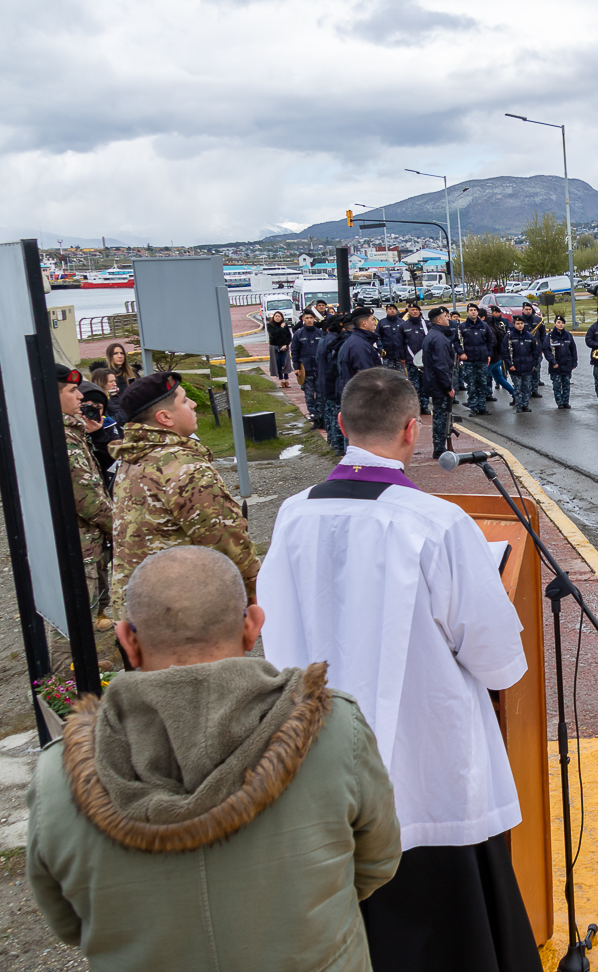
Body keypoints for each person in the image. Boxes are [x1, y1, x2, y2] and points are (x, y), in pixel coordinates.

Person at [258, 369, 543, 972]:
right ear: (412, 430)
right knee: (453, 930)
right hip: (427, 765)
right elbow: (498, 662)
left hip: (316, 758)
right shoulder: (435, 522)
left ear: (340, 425)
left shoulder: (290, 515)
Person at [26, 545, 402, 972]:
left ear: (128, 640)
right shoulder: (333, 732)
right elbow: (378, 860)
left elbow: (68, 921)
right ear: (252, 626)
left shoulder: (61, 776)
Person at [109, 371, 259, 602]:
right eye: (184, 400)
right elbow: (228, 545)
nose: (194, 403)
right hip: (185, 614)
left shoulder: (132, 458)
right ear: (165, 418)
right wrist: (255, 597)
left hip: (141, 608)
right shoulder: (184, 467)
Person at [58, 365, 114, 629]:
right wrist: (119, 526)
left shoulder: (72, 431)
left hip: (88, 540)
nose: (80, 397)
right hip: (78, 542)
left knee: (88, 607)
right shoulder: (62, 438)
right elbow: (88, 499)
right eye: (72, 391)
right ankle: (71, 671)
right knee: (74, 619)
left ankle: (84, 664)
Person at [422, 307, 459, 452]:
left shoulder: (433, 335)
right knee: (441, 417)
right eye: (445, 316)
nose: (447, 319)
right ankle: (439, 448)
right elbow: (441, 365)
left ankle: (439, 446)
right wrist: (447, 387)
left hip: (435, 382)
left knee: (440, 415)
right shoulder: (439, 338)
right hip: (439, 384)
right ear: (438, 320)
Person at [337, 308, 385, 413]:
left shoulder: (360, 341)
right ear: (364, 323)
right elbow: (367, 376)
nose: (374, 323)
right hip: (363, 400)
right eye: (372, 320)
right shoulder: (359, 346)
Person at [317, 313, 351, 456]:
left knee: (330, 413)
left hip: (326, 382)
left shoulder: (324, 340)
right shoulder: (336, 341)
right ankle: (339, 446)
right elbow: (335, 366)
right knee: (337, 414)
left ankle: (333, 442)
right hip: (333, 383)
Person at [458, 304, 495, 416]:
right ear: (467, 312)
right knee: (472, 385)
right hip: (469, 361)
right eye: (471, 310)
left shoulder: (484, 326)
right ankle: (473, 408)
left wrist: (489, 354)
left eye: (475, 310)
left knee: (482, 384)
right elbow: (456, 342)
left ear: (477, 312)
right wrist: (461, 353)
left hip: (482, 360)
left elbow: (490, 340)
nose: (473, 312)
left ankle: (482, 407)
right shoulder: (463, 326)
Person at [503, 313, 543, 414]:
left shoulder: (529, 336)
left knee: (527, 388)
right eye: (518, 323)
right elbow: (505, 352)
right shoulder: (509, 337)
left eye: (521, 323)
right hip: (515, 367)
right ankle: (519, 406)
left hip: (527, 367)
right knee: (517, 388)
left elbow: (535, 351)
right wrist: (509, 365)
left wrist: (533, 363)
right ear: (514, 324)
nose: (520, 325)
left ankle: (525, 405)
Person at [398, 304, 432, 416]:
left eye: (417, 310)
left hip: (425, 361)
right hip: (411, 360)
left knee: (425, 385)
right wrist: (403, 357)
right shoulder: (403, 326)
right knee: (414, 385)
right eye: (412, 310)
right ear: (408, 311)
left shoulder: (426, 324)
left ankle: (424, 406)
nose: (415, 312)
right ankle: (415, 407)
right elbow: (401, 343)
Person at [546, 315, 578, 409]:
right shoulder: (551, 336)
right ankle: (559, 402)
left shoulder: (568, 335)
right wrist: (552, 361)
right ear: (554, 323)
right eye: (559, 323)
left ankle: (565, 402)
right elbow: (546, 350)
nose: (561, 325)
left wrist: (574, 362)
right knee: (556, 385)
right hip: (555, 366)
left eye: (562, 323)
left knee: (566, 385)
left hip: (567, 364)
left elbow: (573, 349)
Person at [377, 303, 407, 371]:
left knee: (400, 375)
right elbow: (377, 336)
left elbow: (405, 336)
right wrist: (380, 348)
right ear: (386, 311)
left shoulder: (401, 322)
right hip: (387, 354)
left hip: (400, 355)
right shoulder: (382, 322)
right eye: (390, 309)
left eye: (394, 309)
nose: (392, 310)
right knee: (387, 375)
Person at [266, 310, 292, 387]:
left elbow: (289, 336)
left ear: (282, 318)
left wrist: (286, 345)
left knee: (285, 362)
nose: (277, 318)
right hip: (275, 346)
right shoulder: (270, 325)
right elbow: (273, 335)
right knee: (278, 363)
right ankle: (281, 380)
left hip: (284, 346)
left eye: (279, 316)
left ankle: (286, 379)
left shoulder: (285, 325)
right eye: (276, 316)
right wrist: (281, 328)